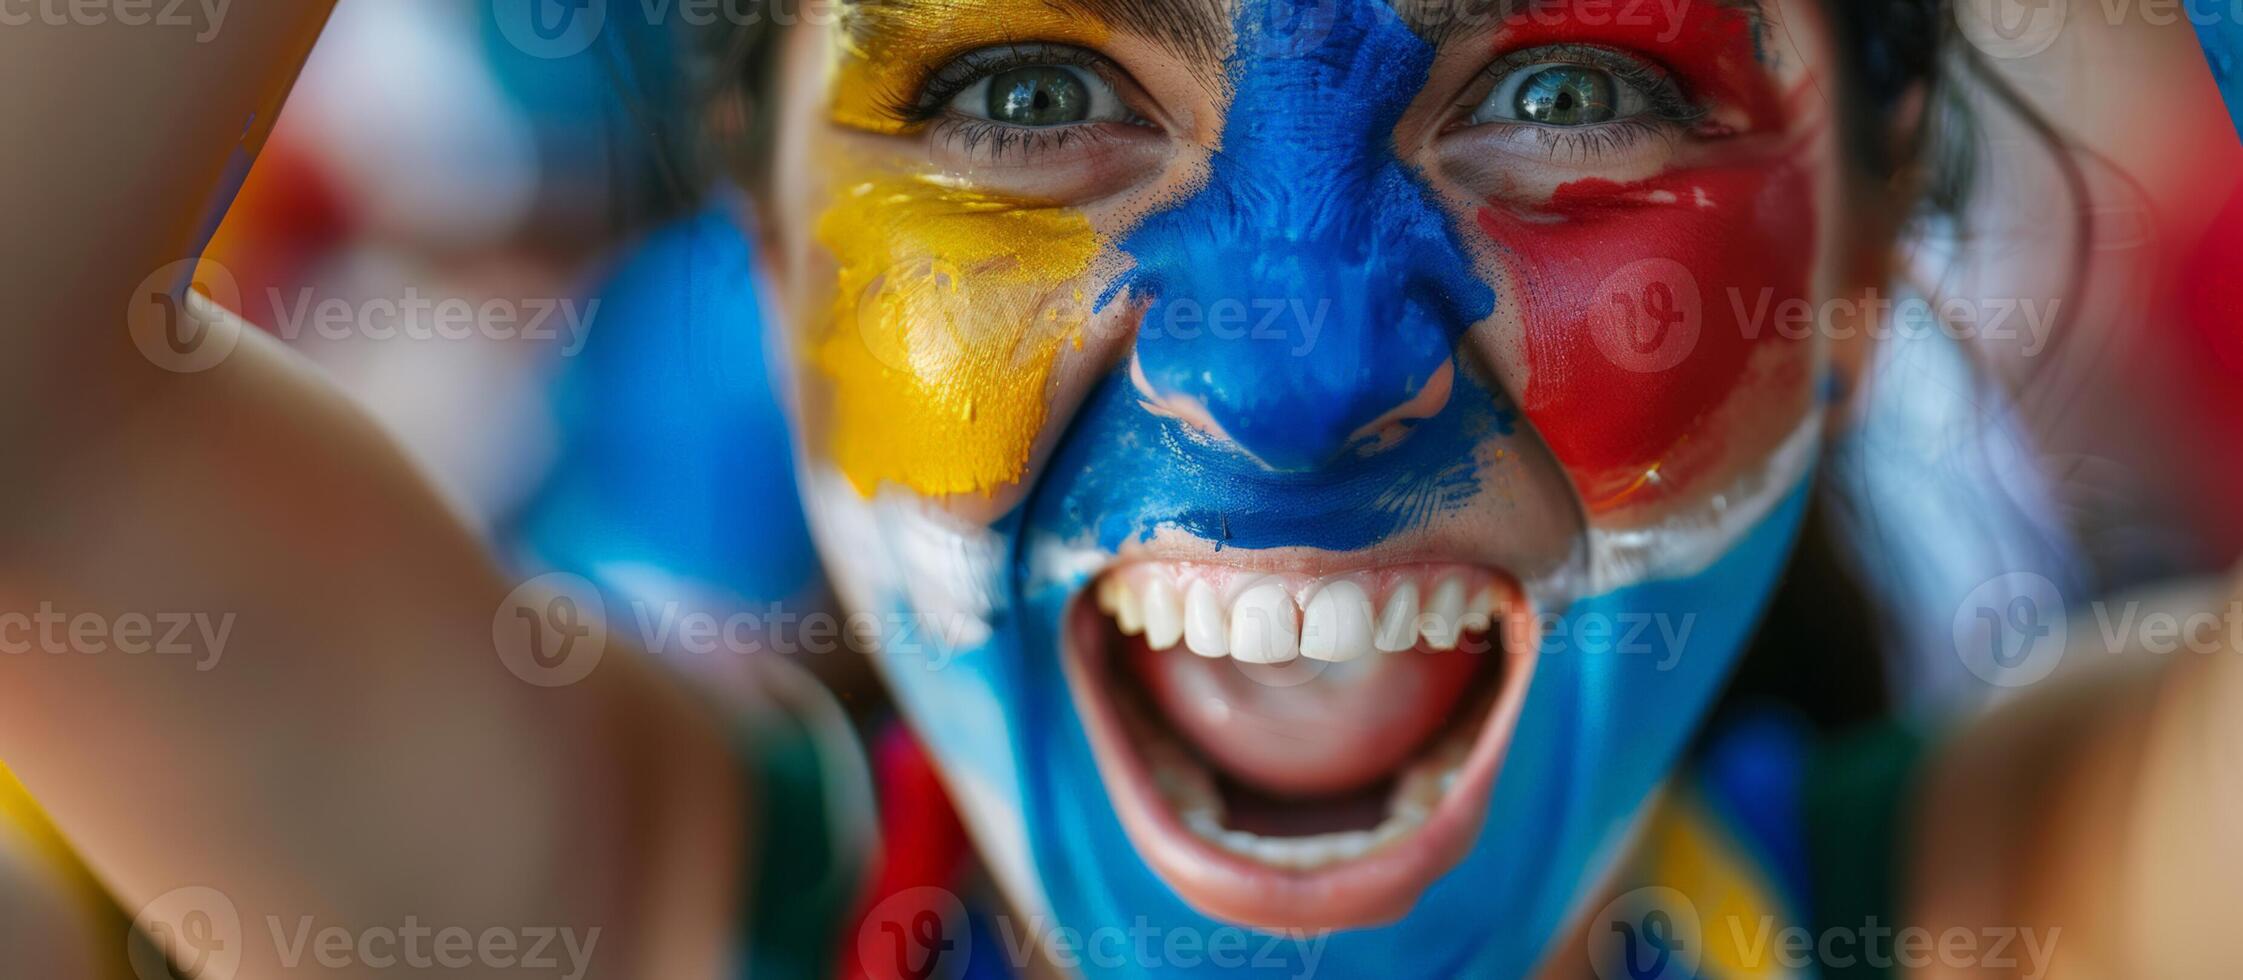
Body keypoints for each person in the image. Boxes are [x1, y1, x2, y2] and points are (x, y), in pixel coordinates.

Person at [2, 2, 2239, 978]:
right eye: (1023, 82)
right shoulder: (628, 916)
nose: (1293, 380)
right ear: (776, 268)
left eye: (1567, 85)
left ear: (1857, 265)